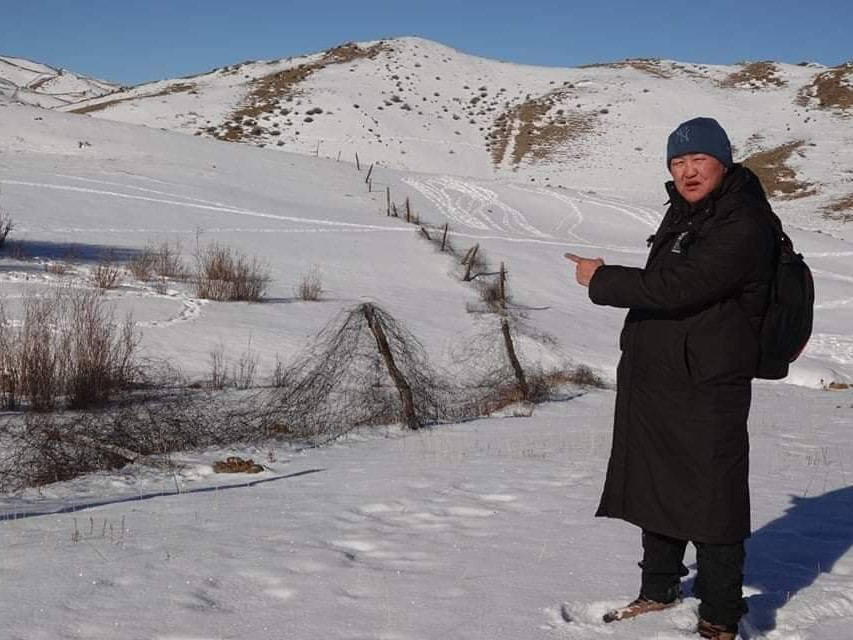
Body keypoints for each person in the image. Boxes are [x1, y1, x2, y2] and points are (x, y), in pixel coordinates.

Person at [565, 117, 777, 640]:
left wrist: (603, 278)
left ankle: (721, 615)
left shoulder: (744, 222)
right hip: (663, 378)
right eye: (677, 163)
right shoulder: (688, 214)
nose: (687, 172)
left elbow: (681, 287)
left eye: (698, 160)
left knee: (712, 495)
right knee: (658, 480)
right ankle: (659, 589)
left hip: (708, 383)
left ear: (723, 163)